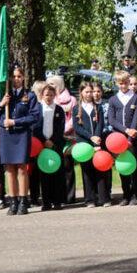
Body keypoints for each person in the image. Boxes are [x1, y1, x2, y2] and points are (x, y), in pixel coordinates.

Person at [0, 66, 40, 215]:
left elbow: (34, 117)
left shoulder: (29, 96)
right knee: (9, 169)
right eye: (14, 76)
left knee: (21, 168)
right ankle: (13, 201)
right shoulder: (3, 94)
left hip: (21, 134)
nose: (17, 79)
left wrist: (15, 122)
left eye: (19, 76)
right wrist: (1, 105)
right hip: (6, 135)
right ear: (10, 79)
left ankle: (23, 201)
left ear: (23, 78)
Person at [108, 71, 137, 205]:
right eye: (121, 83)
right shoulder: (113, 99)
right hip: (118, 138)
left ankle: (135, 194)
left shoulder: (135, 97)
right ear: (117, 84)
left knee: (133, 166)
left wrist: (131, 136)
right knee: (123, 166)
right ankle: (126, 195)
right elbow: (111, 120)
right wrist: (126, 130)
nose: (123, 86)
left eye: (126, 83)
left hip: (132, 138)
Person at [73, 82, 110, 208]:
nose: (89, 94)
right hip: (84, 144)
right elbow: (77, 127)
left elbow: (100, 124)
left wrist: (97, 138)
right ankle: (90, 199)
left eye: (91, 92)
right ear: (81, 93)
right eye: (87, 92)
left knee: (100, 170)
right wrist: (90, 137)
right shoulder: (76, 108)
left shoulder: (97, 107)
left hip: (97, 143)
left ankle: (104, 198)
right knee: (87, 172)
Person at [35, 83, 66, 210]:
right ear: (42, 95)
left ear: (55, 95)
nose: (49, 97)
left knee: (57, 173)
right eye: (46, 95)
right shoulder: (37, 109)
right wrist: (43, 140)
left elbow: (60, 128)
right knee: (44, 174)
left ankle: (57, 201)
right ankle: (46, 202)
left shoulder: (59, 109)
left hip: (55, 144)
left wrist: (52, 140)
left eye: (51, 95)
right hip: (41, 145)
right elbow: (35, 127)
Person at [46, 75, 77, 205]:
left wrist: (65, 129)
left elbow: (73, 118)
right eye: (49, 84)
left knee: (68, 167)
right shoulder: (49, 100)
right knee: (56, 168)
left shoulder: (72, 100)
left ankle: (69, 196)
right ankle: (57, 196)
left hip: (68, 137)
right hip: (53, 138)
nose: (51, 86)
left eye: (53, 84)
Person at [92, 82, 113, 203]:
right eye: (94, 91)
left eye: (98, 91)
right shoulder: (89, 106)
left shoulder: (106, 105)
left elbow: (109, 121)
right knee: (94, 165)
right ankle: (96, 193)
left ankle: (107, 192)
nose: (96, 94)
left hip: (105, 136)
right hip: (93, 138)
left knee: (106, 165)